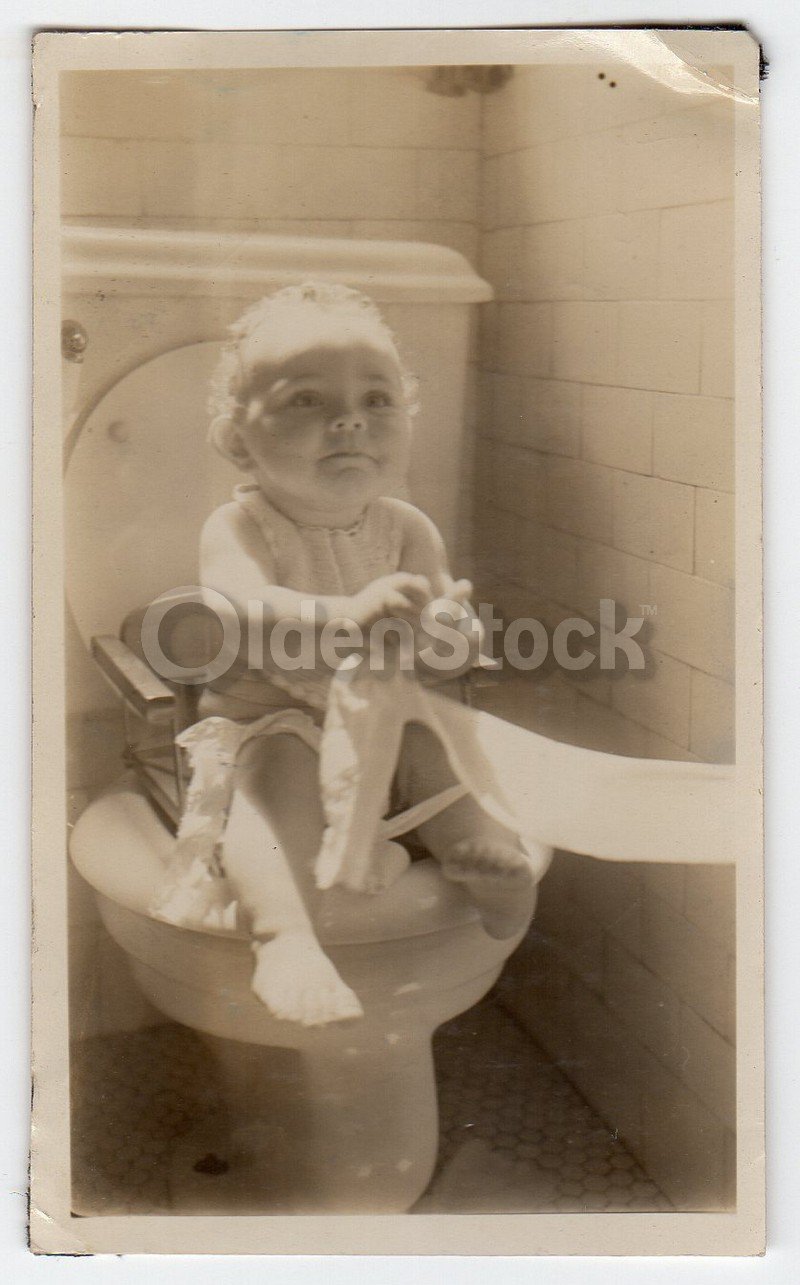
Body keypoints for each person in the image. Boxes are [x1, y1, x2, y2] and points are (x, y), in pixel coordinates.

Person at [151, 282, 550, 1026]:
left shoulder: (407, 528)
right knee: (276, 783)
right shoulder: (237, 525)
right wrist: (346, 615)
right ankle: (286, 935)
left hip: (382, 727)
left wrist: (449, 627)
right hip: (274, 723)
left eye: (378, 400)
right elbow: (247, 610)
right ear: (238, 440)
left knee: (445, 756)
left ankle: (487, 858)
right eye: (307, 400)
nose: (349, 420)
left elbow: (447, 638)